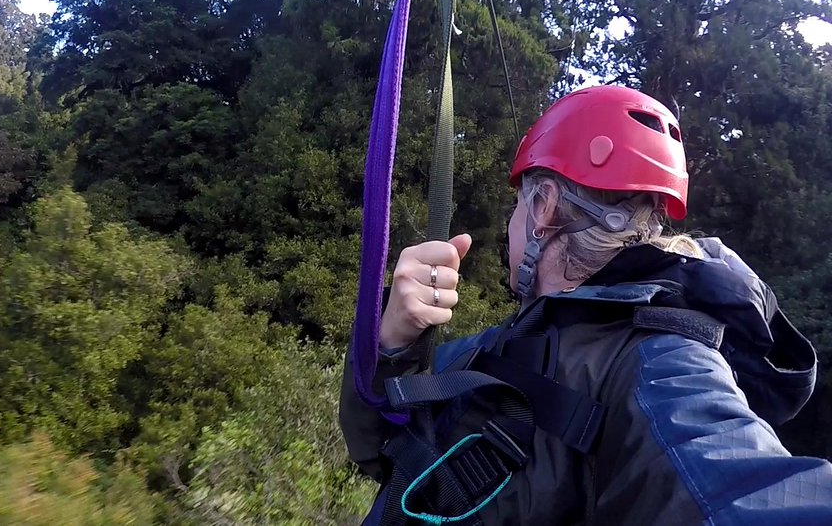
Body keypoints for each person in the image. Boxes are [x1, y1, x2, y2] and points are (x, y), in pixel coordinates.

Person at [340, 85, 832, 525]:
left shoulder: (665, 364)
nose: (512, 222)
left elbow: (745, 489)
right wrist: (392, 343)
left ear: (543, 207)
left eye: (518, 204)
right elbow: (382, 452)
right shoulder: (497, 348)